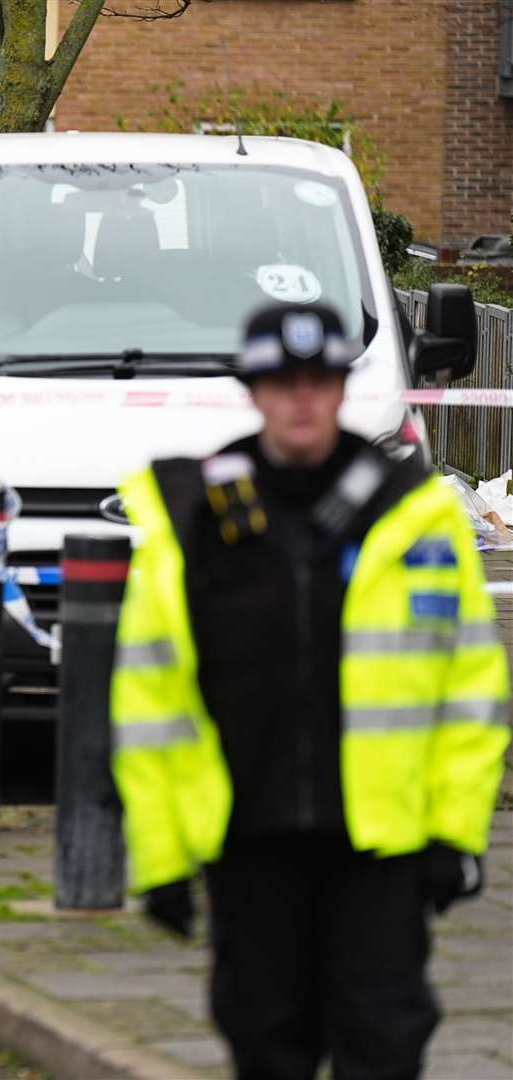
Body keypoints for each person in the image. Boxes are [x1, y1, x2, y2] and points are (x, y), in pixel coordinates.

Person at [110, 302, 509, 1080]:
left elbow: (471, 691)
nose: (301, 399)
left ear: (340, 390)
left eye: (318, 381)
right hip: (247, 840)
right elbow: (152, 699)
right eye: (281, 382)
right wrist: (159, 856)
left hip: (379, 845)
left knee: (384, 1042)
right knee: (266, 1045)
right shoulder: (192, 513)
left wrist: (457, 833)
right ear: (253, 391)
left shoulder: (413, 512)